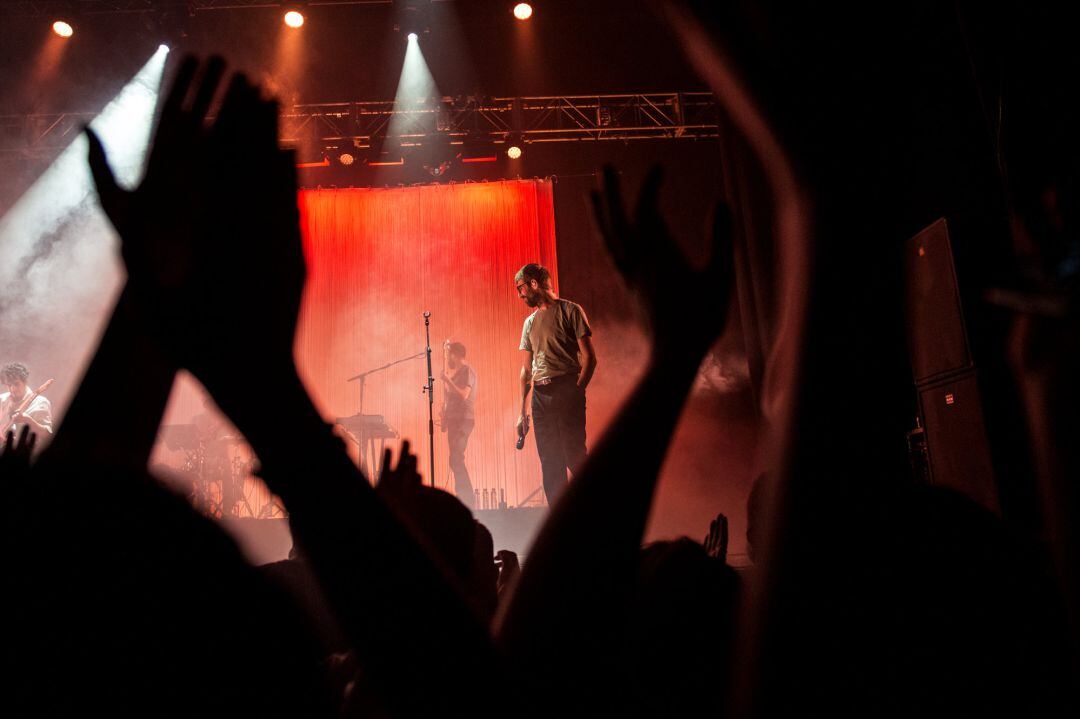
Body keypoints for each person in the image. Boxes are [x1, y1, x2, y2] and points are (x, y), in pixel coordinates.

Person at [514, 263, 596, 504]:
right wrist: (522, 412)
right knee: (550, 463)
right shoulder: (529, 323)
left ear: (534, 284)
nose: (520, 295)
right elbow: (527, 370)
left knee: (574, 456)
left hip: (566, 387)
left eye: (521, 288)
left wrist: (576, 392)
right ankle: (561, 528)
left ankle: (597, 515)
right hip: (540, 396)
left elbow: (590, 358)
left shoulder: (570, 311)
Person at [441, 340, 477, 510]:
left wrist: (447, 380)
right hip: (454, 421)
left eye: (449, 355)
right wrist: (445, 414)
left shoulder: (467, 371)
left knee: (456, 458)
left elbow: (464, 394)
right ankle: (462, 499)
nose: (448, 358)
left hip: (464, 420)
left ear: (455, 355)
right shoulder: (456, 374)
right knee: (454, 460)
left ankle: (468, 500)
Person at [1, 362, 53, 436]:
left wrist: (28, 420)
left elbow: (47, 434)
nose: (13, 389)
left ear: (25, 382)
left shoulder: (41, 402)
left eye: (16, 384)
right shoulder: (1, 399)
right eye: (9, 385)